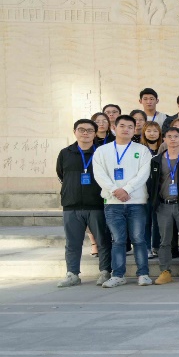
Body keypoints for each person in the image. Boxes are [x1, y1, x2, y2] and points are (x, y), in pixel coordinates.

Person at [93, 115, 152, 287]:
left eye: (130, 127)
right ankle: (118, 275)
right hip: (113, 203)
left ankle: (143, 274)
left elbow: (143, 174)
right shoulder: (102, 151)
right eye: (122, 126)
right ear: (114, 128)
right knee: (118, 240)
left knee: (139, 239)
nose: (126, 129)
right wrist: (115, 190)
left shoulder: (142, 150)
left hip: (137, 201)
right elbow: (99, 174)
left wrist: (127, 189)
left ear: (135, 130)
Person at [56, 119, 112, 287]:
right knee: (72, 242)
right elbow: (61, 174)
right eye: (81, 130)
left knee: (103, 241)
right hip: (71, 204)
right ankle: (72, 274)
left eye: (89, 130)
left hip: (96, 204)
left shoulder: (102, 152)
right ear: (75, 132)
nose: (85, 133)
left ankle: (105, 271)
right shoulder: (65, 153)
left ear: (95, 133)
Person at [148, 126, 179, 284]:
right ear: (164, 139)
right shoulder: (156, 160)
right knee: (165, 241)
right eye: (169, 136)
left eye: (176, 136)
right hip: (163, 205)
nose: (173, 139)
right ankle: (165, 271)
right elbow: (152, 183)